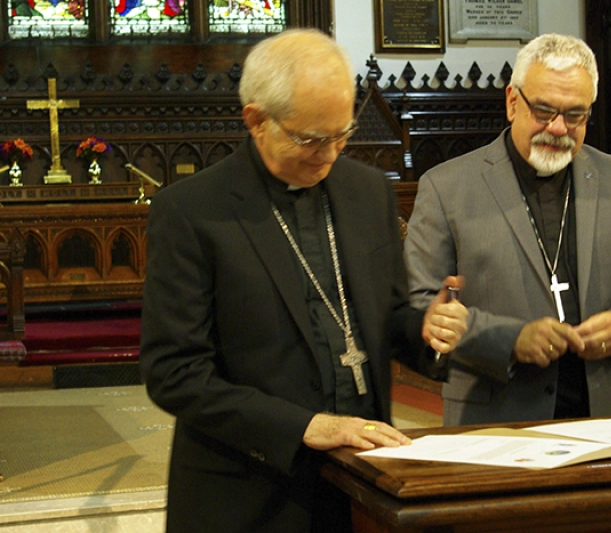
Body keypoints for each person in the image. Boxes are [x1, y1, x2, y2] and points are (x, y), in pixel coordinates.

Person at [139, 29, 468, 533]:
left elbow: (389, 318)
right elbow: (175, 373)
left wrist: (428, 330)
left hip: (361, 483)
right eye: (311, 139)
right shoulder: (192, 212)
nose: (330, 154)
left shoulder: (365, 193)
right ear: (255, 120)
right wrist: (306, 427)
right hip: (246, 495)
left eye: (342, 135)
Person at [404, 33, 611, 426]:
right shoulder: (447, 187)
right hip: (496, 417)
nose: (558, 128)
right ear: (512, 102)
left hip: (605, 414)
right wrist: (509, 340)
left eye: (575, 115)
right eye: (544, 110)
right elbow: (421, 302)